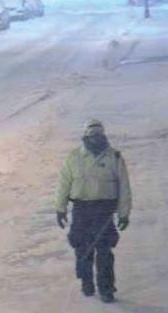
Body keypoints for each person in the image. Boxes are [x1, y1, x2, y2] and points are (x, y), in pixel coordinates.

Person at [55, 119, 132, 303]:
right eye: (92, 136)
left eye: (99, 135)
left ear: (103, 136)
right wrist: (60, 209)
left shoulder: (114, 157)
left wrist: (124, 213)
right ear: (86, 137)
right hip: (81, 210)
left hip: (104, 212)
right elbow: (63, 185)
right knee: (82, 249)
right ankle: (86, 281)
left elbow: (124, 188)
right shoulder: (73, 157)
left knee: (104, 251)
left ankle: (106, 288)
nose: (96, 139)